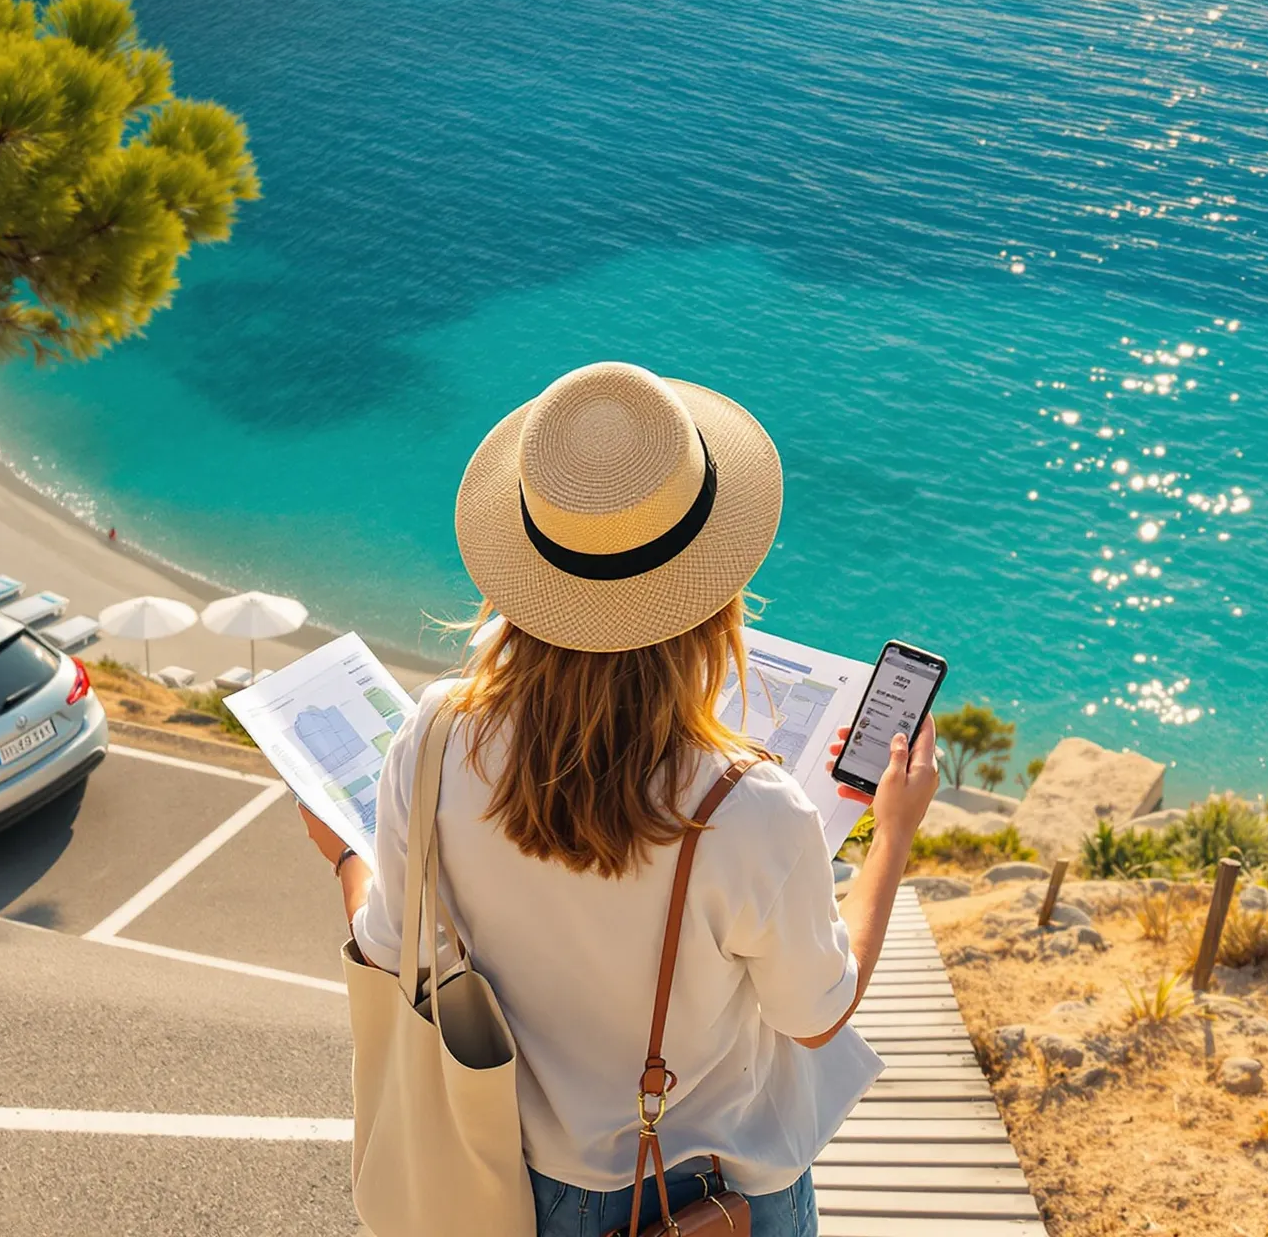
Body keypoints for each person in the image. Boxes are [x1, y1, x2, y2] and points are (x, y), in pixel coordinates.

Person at [303, 361, 939, 1237]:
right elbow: (818, 1014)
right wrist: (893, 832)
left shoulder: (439, 734)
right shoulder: (754, 809)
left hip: (506, 1182)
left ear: (525, 570)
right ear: (714, 598)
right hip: (699, 1203)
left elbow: (388, 946)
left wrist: (344, 852)